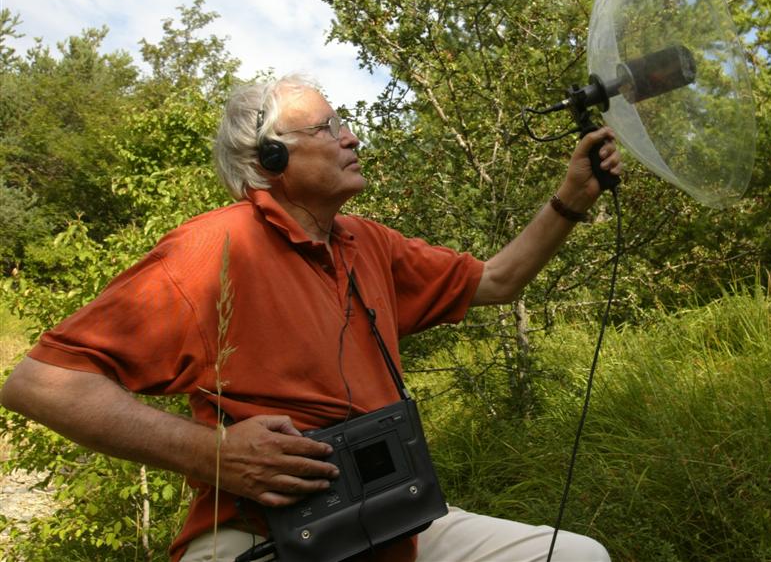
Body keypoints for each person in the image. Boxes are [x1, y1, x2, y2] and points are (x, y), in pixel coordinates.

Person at [1, 74, 621, 562]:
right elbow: (40, 383)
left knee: (576, 555)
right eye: (328, 128)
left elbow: (496, 279)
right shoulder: (213, 249)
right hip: (263, 532)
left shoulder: (368, 242)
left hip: (390, 521)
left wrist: (571, 198)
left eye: (345, 123)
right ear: (271, 158)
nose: (351, 138)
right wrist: (212, 454)